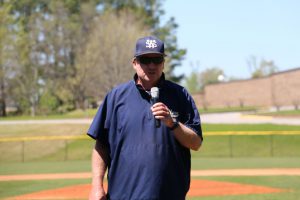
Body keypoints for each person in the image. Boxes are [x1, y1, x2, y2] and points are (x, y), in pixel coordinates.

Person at [88, 36, 203, 200]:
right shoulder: (115, 97)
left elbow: (196, 143)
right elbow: (102, 145)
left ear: (163, 63)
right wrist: (96, 185)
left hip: (169, 195)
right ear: (135, 63)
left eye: (157, 59)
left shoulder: (180, 95)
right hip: (123, 195)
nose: (151, 65)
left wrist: (173, 123)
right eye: (145, 60)